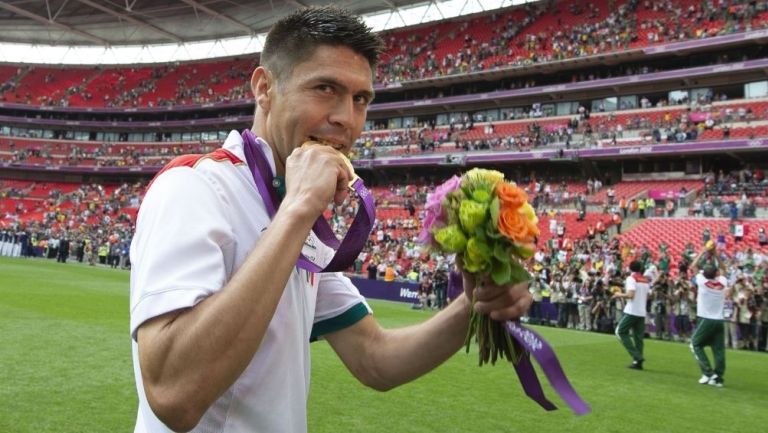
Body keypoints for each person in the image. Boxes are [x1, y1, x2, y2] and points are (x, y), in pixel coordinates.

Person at [128, 7, 531, 433]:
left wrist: (475, 304)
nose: (347, 118)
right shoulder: (195, 187)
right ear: (265, 88)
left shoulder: (297, 218)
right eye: (325, 88)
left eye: (361, 99)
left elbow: (376, 359)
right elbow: (173, 394)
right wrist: (299, 210)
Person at [690, 251, 731, 387]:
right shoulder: (722, 283)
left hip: (706, 319)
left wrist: (702, 251)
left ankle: (708, 372)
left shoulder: (702, 282)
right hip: (719, 320)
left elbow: (693, 266)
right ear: (716, 274)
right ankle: (718, 378)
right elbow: (724, 269)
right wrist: (716, 255)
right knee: (718, 349)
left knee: (694, 344)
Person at [612, 260, 651, 370]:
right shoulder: (645, 280)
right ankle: (638, 363)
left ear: (630, 268)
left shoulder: (631, 278)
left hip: (632, 310)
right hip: (641, 311)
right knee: (638, 338)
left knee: (619, 331)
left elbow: (630, 294)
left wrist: (618, 294)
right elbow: (647, 296)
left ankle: (637, 356)